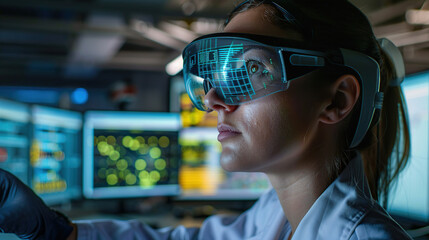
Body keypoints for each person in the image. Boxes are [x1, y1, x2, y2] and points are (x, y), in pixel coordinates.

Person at [0, 0, 413, 239]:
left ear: (336, 101)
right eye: (216, 78)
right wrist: (57, 232)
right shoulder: (277, 215)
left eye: (252, 71)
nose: (214, 98)